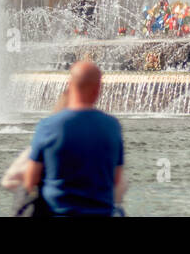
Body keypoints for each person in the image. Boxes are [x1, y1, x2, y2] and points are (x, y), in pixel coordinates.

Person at [21, 61, 126, 216]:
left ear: (70, 85)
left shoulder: (48, 126)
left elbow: (30, 181)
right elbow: (116, 179)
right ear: (98, 89)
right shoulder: (112, 127)